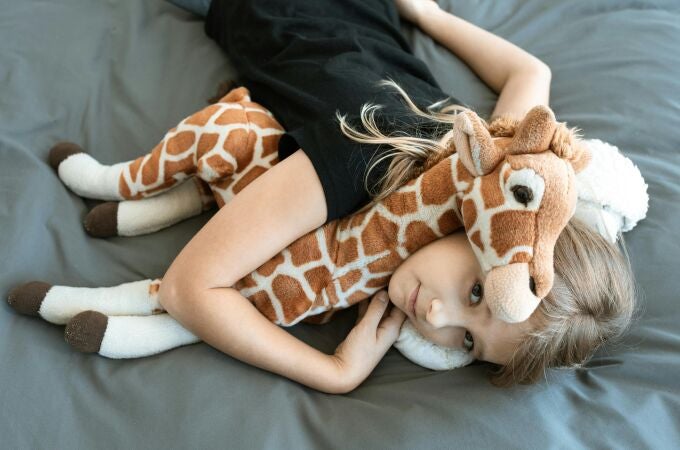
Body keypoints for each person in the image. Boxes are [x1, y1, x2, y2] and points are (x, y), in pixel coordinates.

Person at [9, 0, 637, 394]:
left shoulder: (477, 168)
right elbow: (187, 288)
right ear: (491, 234)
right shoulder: (363, 162)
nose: (438, 321)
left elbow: (532, 77)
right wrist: (333, 374)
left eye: (467, 345)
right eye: (476, 294)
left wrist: (430, 18)